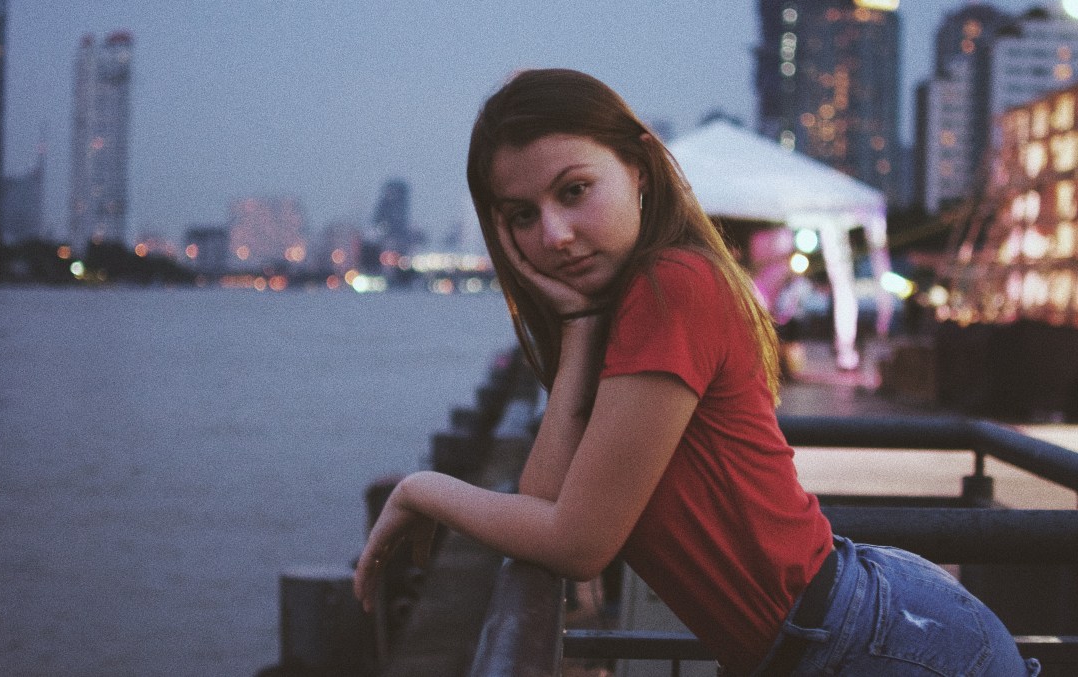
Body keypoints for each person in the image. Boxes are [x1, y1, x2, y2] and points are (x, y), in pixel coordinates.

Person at [353, 69, 1038, 676]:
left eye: (575, 190)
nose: (553, 234)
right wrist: (581, 328)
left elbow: (577, 542)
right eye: (522, 216)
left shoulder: (670, 286)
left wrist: (425, 491)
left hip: (880, 645)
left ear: (640, 170)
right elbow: (545, 499)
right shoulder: (628, 306)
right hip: (842, 635)